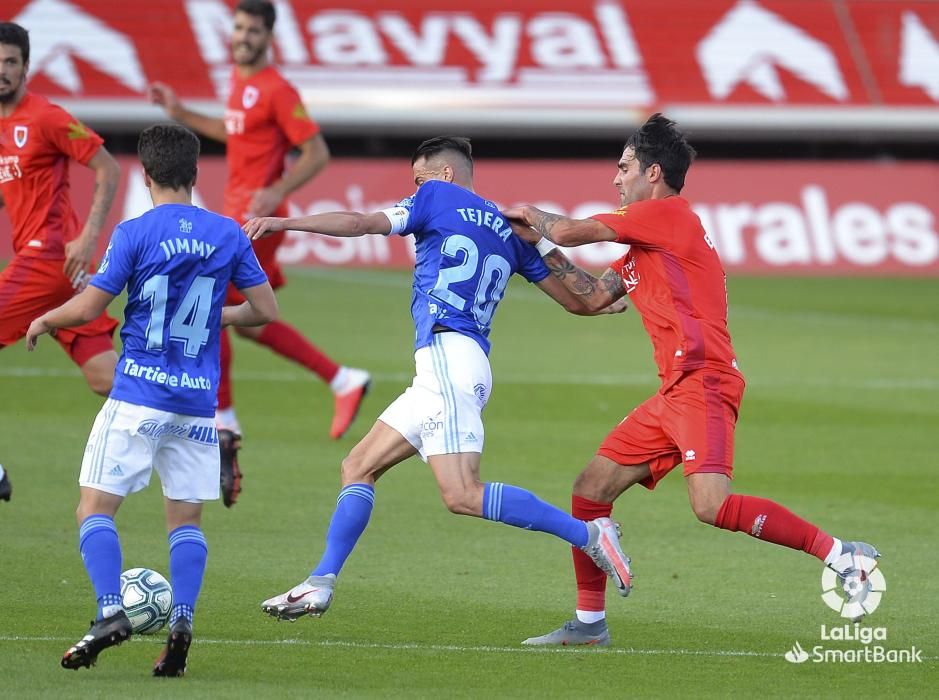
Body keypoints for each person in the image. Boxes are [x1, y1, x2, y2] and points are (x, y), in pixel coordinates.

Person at [503, 113, 881, 647]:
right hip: (675, 392)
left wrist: (526, 217)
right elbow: (588, 299)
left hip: (703, 381)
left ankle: (842, 554)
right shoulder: (645, 244)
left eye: (625, 167)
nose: (616, 179)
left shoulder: (667, 216)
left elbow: (568, 229)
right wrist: (533, 251)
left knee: (711, 505)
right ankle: (589, 624)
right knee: (590, 489)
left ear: (653, 173)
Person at [242, 136, 633, 621]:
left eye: (418, 179)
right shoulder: (512, 230)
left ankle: (591, 535)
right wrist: (581, 273)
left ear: (444, 176)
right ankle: (320, 582)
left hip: (450, 356)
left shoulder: (436, 197)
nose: (415, 189)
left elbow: (363, 223)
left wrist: (285, 220)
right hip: (449, 365)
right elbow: (583, 300)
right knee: (358, 466)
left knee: (463, 494)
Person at [27, 124, 277, 675]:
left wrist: (46, 316)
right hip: (195, 405)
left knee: (94, 507)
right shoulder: (228, 234)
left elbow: (92, 307)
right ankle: (182, 620)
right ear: (194, 173)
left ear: (145, 175)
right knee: (185, 520)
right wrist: (218, 315)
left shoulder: (135, 231)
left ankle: (110, 611)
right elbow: (265, 310)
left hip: (138, 393)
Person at [147, 0, 370, 506]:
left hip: (256, 221)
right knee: (247, 317)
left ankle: (224, 420)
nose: (243, 36)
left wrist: (276, 190)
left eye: (253, 29)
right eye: (239, 27)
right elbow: (236, 133)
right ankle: (341, 378)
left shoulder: (277, 88)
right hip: (234, 218)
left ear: (269, 35)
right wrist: (179, 113)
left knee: (207, 304)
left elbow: (317, 151)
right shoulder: (239, 82)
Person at [0, 21, 122, 502]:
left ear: (26, 67)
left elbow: (106, 166)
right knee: (104, 376)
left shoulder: (46, 117)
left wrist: (89, 234)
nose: (2, 71)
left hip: (48, 258)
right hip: (63, 276)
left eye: (10, 62)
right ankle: (202, 425)